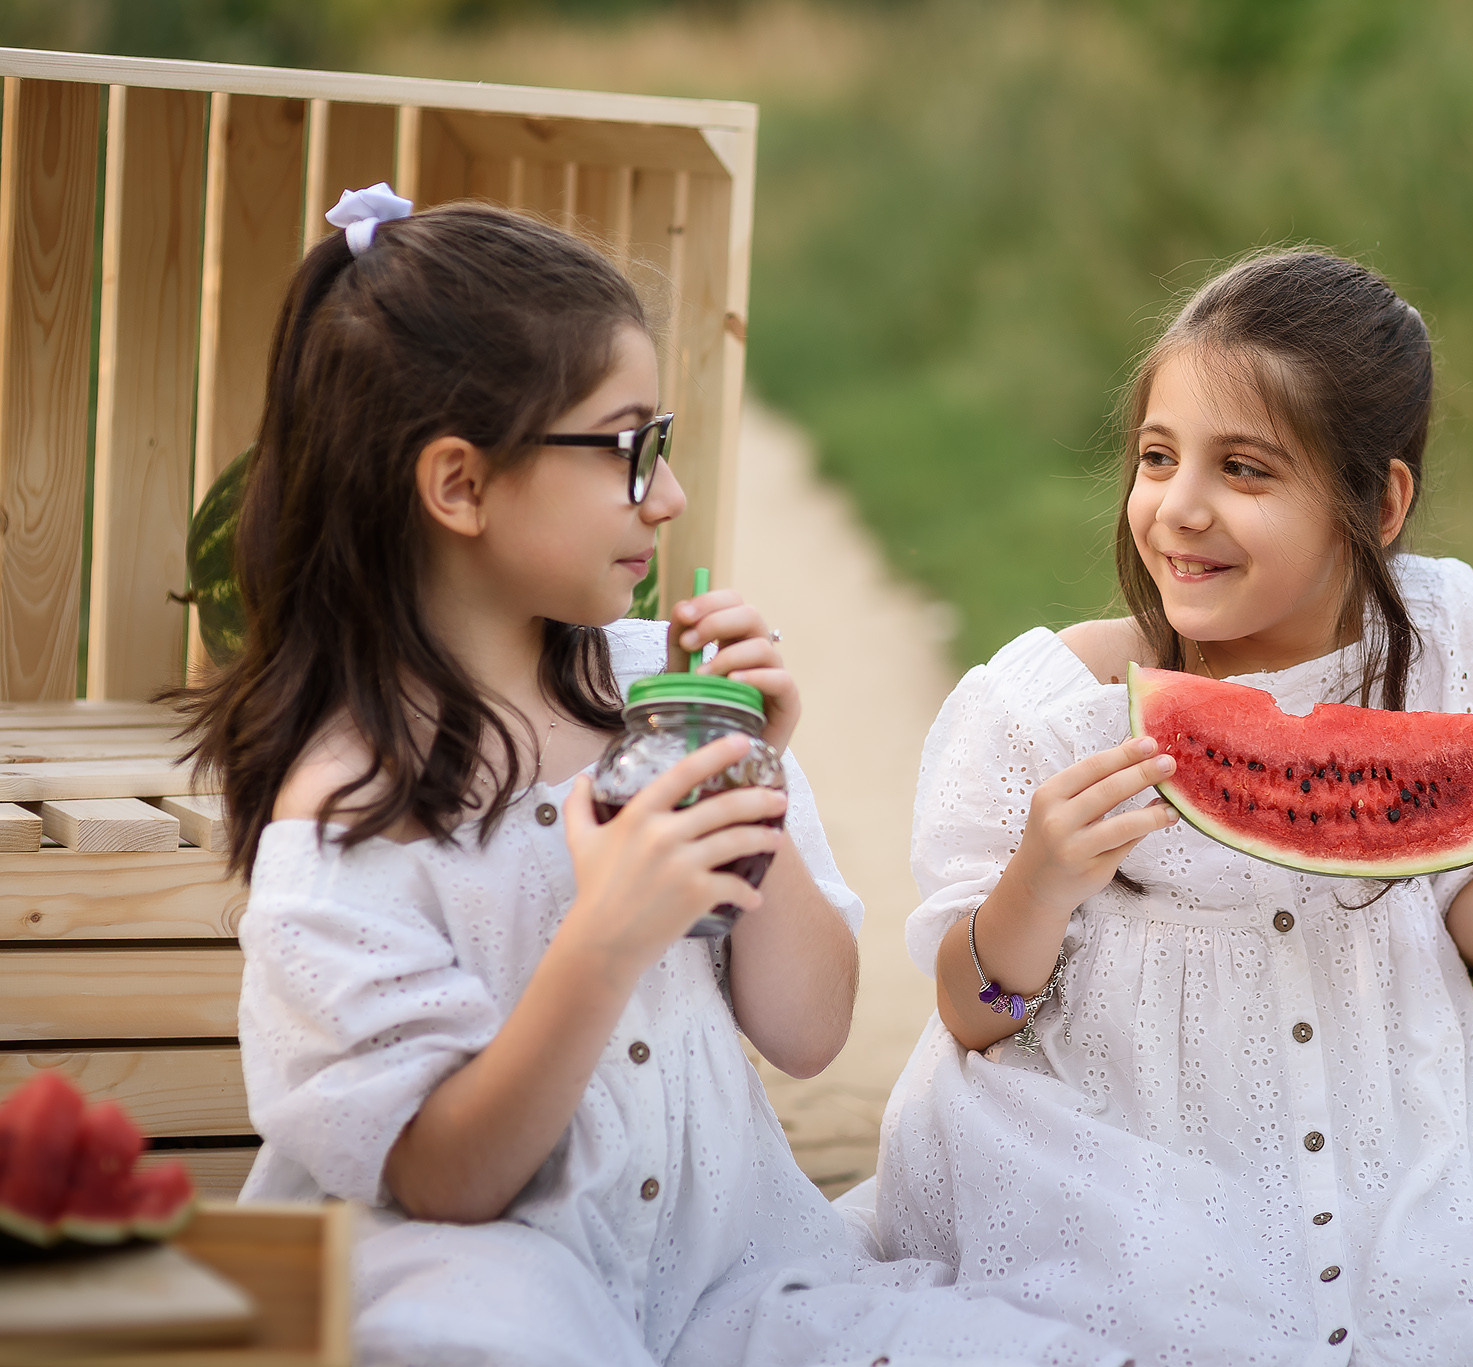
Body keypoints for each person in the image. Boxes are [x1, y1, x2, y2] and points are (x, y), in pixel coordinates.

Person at [181, 187, 1132, 1367]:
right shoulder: (345, 810)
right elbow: (447, 1180)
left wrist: (756, 784)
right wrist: (605, 937)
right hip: (467, 1281)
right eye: (630, 448)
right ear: (460, 485)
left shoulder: (658, 693)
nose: (669, 496)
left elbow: (807, 1028)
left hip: (724, 1272)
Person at [869, 250, 1473, 1365]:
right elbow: (971, 1010)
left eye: (1243, 469)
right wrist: (1037, 879)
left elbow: (1454, 913)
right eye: (1155, 457)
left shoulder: (1437, 632)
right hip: (1101, 1147)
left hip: (1378, 1148)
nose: (1179, 508)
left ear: (1377, 502)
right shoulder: (1046, 709)